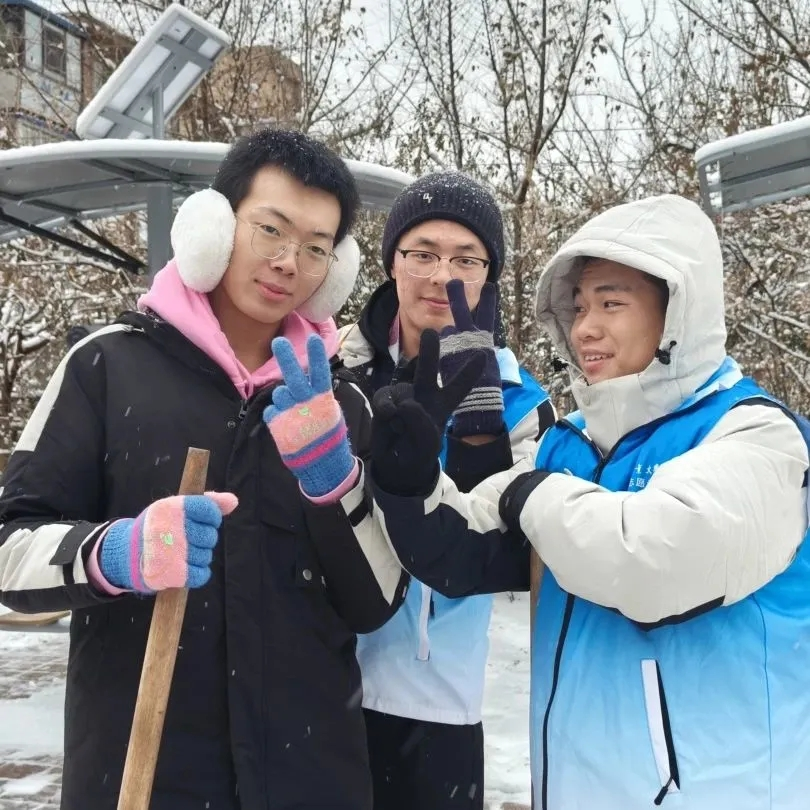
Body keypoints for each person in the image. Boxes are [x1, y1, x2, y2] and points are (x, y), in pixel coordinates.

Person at [357, 194, 810, 809]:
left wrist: (527, 490)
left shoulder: (756, 436)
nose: (584, 328)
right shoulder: (570, 444)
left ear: (679, 311)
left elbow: (651, 562)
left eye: (611, 304)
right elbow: (461, 554)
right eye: (577, 307)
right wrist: (411, 481)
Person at [0, 128, 407, 810]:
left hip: (311, 781)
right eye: (270, 229)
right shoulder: (105, 368)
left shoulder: (341, 404)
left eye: (316, 248)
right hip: (145, 778)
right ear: (214, 225)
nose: (288, 262)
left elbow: (378, 601)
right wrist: (114, 553)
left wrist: (336, 486)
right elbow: (10, 554)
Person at [337, 171, 554, 809]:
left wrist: (478, 433)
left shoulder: (521, 403)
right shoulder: (327, 366)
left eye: (466, 259)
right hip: (318, 680)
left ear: (490, 276)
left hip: (436, 702)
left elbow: (501, 546)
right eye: (423, 254)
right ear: (392, 262)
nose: (442, 276)